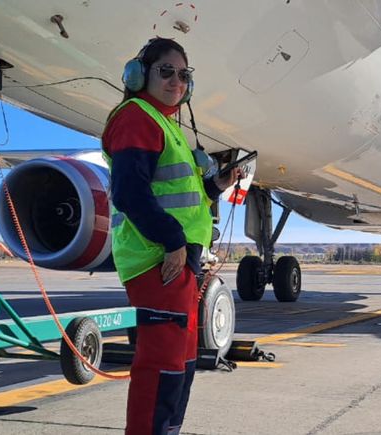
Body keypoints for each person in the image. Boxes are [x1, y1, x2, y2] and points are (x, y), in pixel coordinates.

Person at [101, 38, 241, 435]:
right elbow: (130, 192)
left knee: (181, 362)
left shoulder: (166, 124)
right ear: (138, 75)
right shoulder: (137, 117)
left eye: (184, 75)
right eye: (166, 71)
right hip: (157, 258)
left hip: (179, 260)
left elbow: (180, 197)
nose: (177, 81)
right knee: (161, 365)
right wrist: (173, 242)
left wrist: (217, 186)